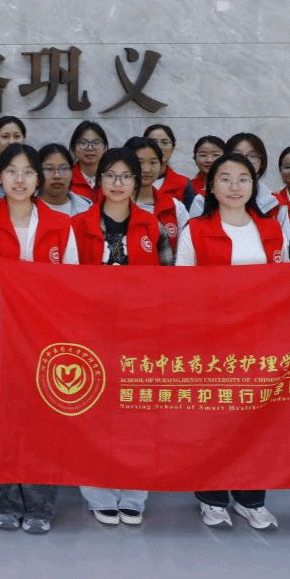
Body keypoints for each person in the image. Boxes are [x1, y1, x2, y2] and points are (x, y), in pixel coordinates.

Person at [0, 143, 78, 535]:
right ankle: (4, 499)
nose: (20, 179)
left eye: (28, 171)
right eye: (11, 171)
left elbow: (73, 286)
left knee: (42, 423)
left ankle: (40, 502)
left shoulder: (62, 225)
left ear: (38, 178)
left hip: (44, 342)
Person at [176, 152, 287, 532]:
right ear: (210, 186)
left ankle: (251, 498)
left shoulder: (270, 228)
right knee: (212, 420)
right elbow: (182, 288)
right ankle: (211, 497)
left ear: (254, 185)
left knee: (257, 419)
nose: (234, 186)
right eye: (225, 178)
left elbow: (287, 282)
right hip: (211, 342)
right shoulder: (195, 229)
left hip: (260, 340)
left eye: (243, 178)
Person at [71, 148, 172, 526]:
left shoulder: (152, 225)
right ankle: (97, 492)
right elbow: (64, 281)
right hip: (91, 334)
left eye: (125, 176)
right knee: (93, 413)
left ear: (136, 181)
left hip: (140, 335)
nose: (117, 183)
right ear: (98, 180)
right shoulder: (77, 225)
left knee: (137, 413)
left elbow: (170, 282)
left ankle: (134, 492)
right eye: (110, 175)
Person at [125, 135, 188, 249]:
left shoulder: (175, 207)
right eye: (139, 162)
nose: (146, 169)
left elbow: (185, 249)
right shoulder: (114, 206)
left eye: (153, 162)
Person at [144, 123, 195, 207]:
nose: (159, 147)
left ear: (173, 148)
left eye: (165, 142)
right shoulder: (133, 181)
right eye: (153, 142)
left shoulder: (183, 184)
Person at [36, 144, 91, 216]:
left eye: (64, 169)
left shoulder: (87, 209)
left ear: (72, 172)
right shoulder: (28, 210)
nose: (57, 176)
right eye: (49, 169)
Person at [69, 121, 108, 200]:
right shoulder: (66, 178)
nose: (90, 148)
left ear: (104, 147)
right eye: (83, 143)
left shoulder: (113, 179)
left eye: (96, 143)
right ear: (73, 148)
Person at [189, 135, 225, 199]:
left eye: (215, 155)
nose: (209, 160)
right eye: (203, 155)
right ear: (195, 159)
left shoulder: (235, 186)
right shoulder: (187, 187)